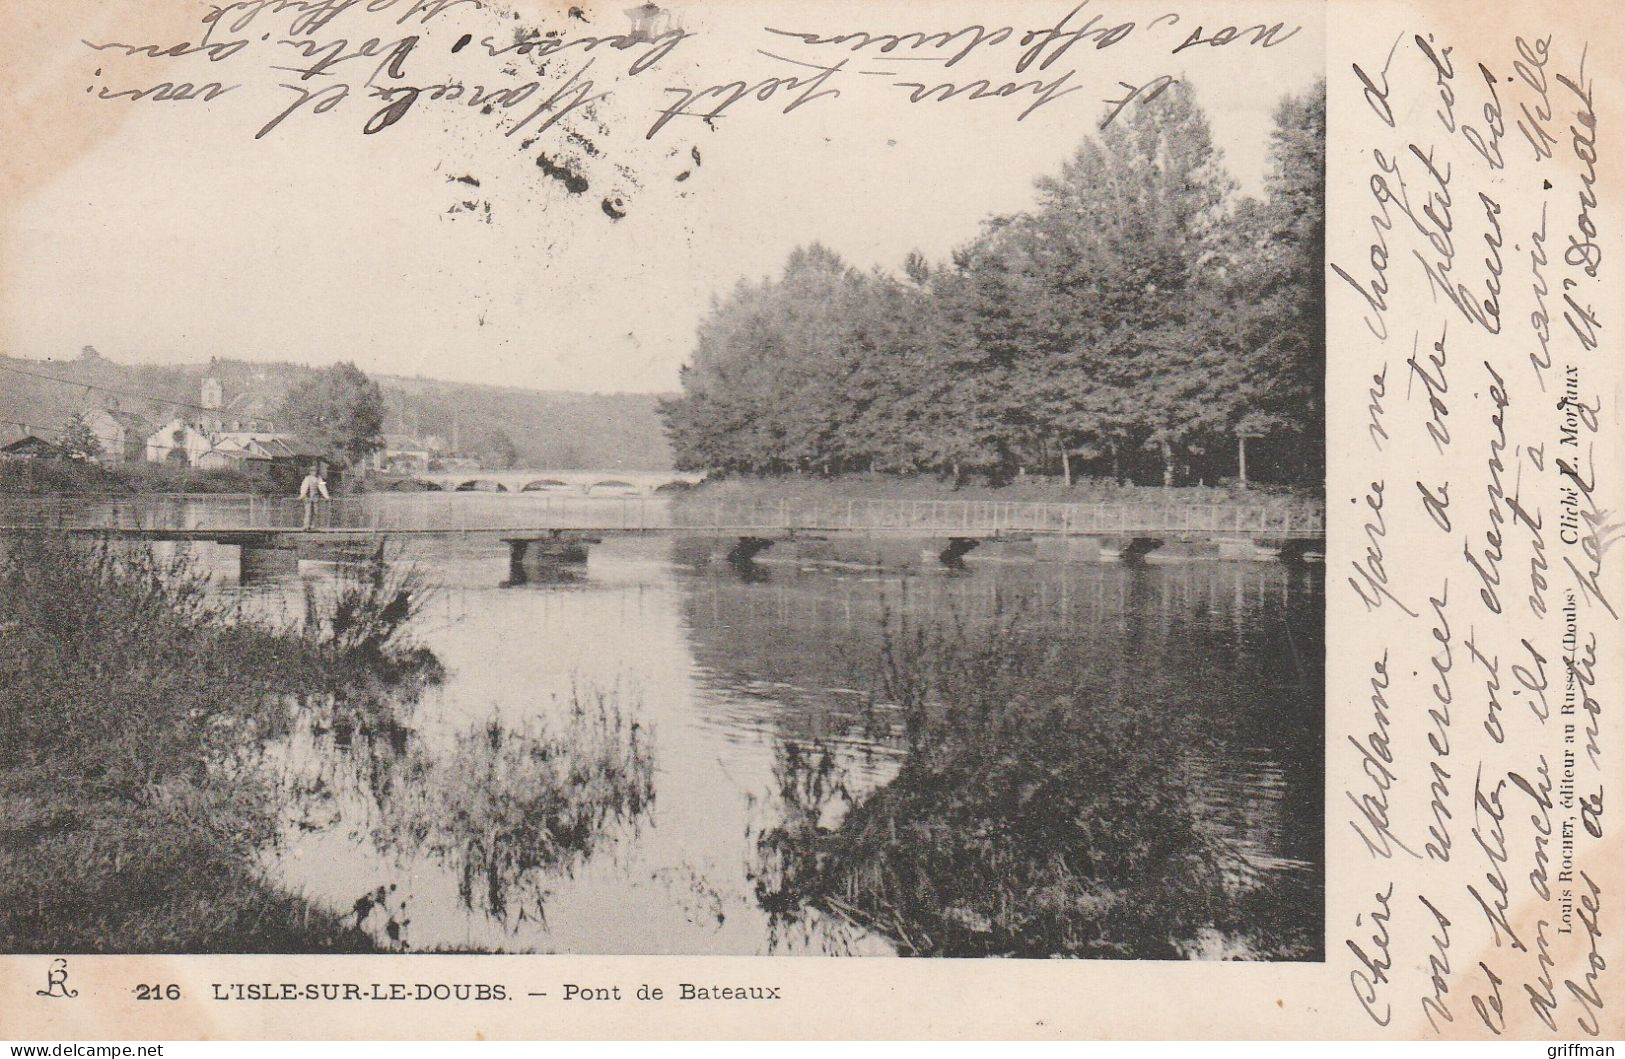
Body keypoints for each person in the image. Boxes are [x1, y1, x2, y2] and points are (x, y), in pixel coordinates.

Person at [299, 464, 330, 529]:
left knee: (316, 512)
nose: (314, 472)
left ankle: (313, 525)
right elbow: (304, 487)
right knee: (308, 512)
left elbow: (322, 487)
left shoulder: (319, 479)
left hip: (315, 497)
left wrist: (326, 496)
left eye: (315, 471)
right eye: (313, 471)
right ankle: (306, 526)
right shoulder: (307, 478)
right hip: (308, 497)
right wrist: (302, 495)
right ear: (310, 471)